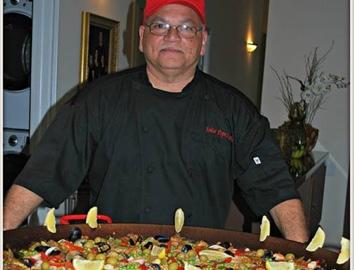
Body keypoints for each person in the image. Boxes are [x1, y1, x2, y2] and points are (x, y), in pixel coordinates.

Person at [4, 0, 309, 243]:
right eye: (160, 25)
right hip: (112, 254)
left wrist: (302, 259)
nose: (172, 36)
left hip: (198, 259)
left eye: (187, 28)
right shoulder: (99, 100)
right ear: (141, 37)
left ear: (202, 41)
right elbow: (41, 174)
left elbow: (277, 189)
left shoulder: (233, 109)